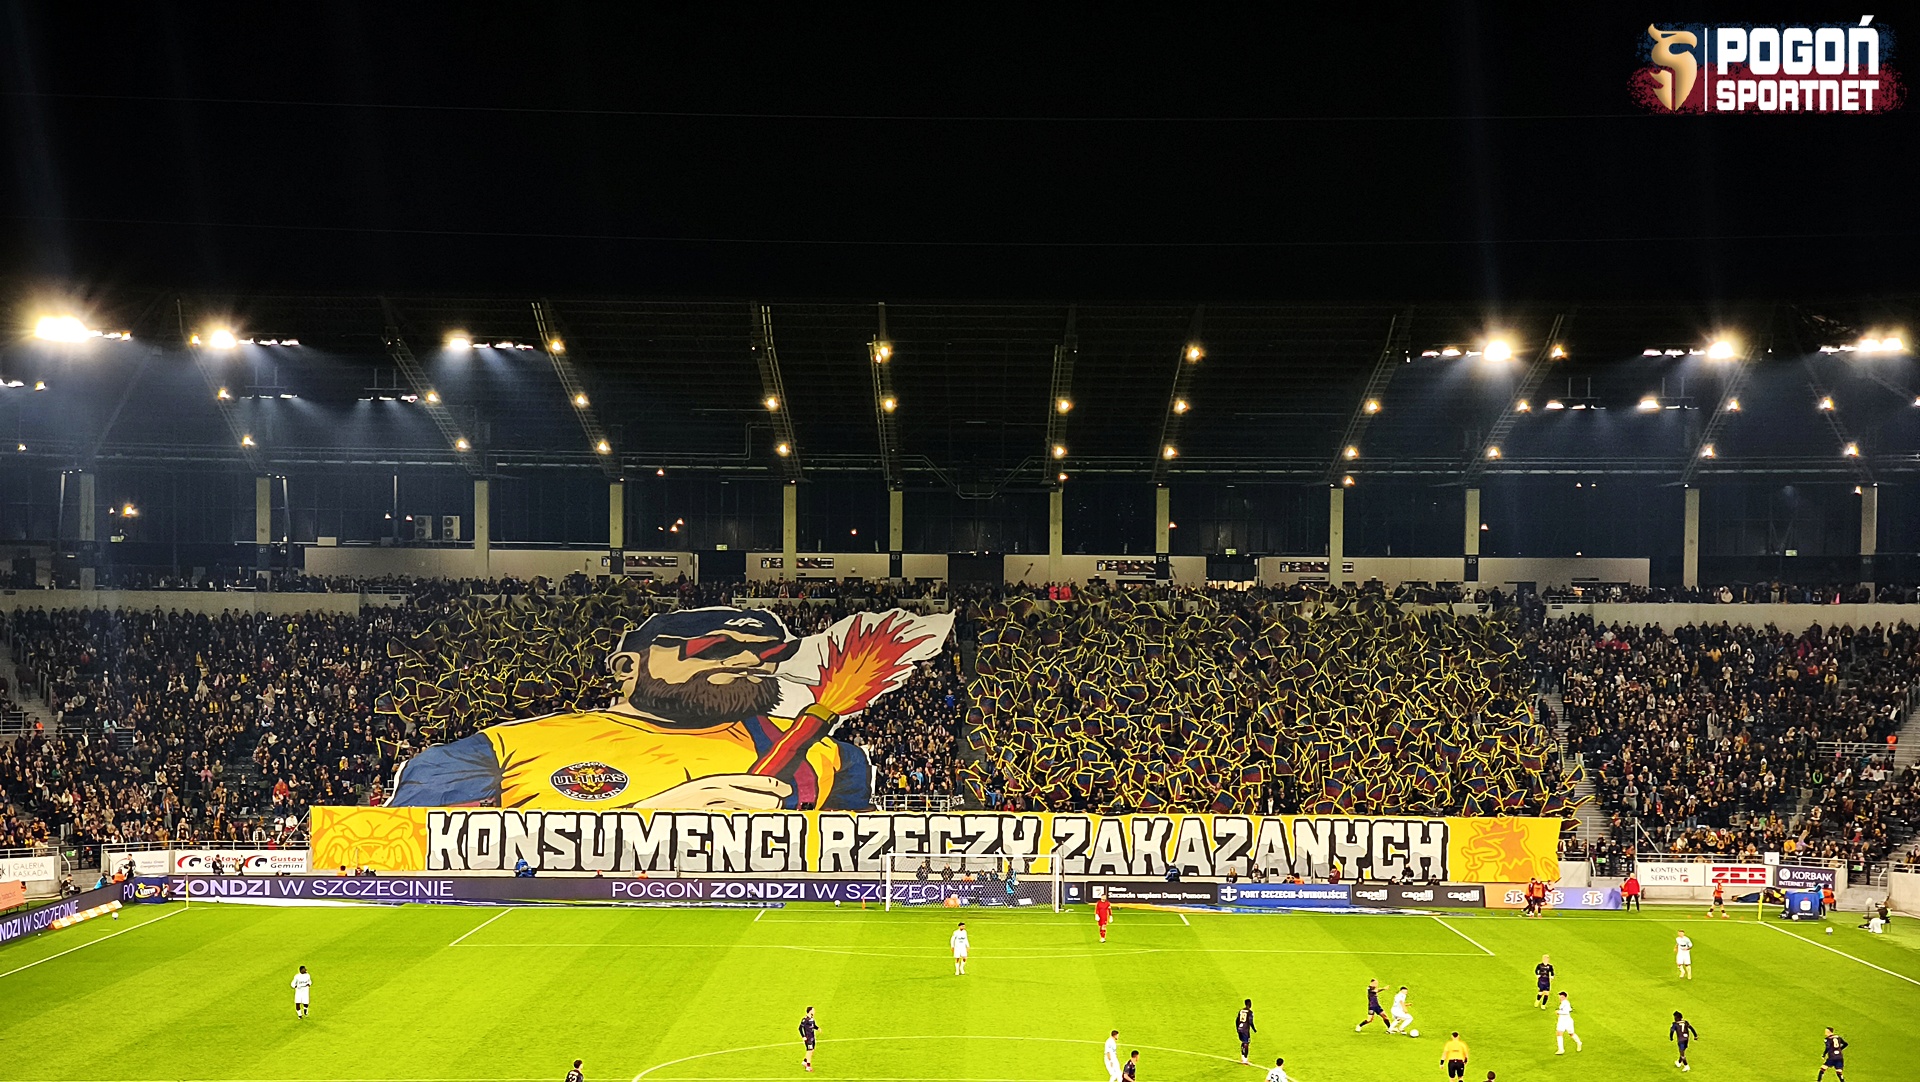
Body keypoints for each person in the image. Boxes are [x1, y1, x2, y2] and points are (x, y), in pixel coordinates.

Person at [387, 607, 911, 811]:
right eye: (715, 648)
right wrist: (647, 822)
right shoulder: (497, 752)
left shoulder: (831, 758)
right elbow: (403, 856)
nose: (750, 661)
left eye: (768, 655)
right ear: (626, 667)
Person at [799, 1006, 819, 1072]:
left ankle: (805, 1061)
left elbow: (813, 1026)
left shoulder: (812, 1018)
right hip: (808, 1038)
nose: (814, 1011)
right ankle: (808, 1066)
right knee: (809, 1051)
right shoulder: (805, 1019)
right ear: (810, 1011)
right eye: (813, 1010)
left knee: (812, 1051)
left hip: (812, 1037)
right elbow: (800, 1028)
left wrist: (818, 1028)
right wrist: (803, 1036)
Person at [1236, 999, 1257, 1064]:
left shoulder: (1241, 1011)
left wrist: (1237, 1028)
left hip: (1240, 1028)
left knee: (1243, 1042)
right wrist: (1254, 1029)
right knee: (1246, 1043)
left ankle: (1242, 1057)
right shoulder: (1250, 1012)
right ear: (1249, 1004)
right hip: (1245, 1030)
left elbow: (1236, 1020)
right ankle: (1245, 1059)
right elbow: (1250, 1022)